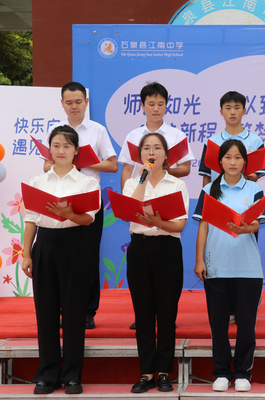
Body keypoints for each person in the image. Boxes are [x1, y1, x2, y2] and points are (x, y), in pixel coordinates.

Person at [22, 125, 101, 395]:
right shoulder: (37, 182)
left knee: (74, 313)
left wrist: (68, 215)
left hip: (74, 245)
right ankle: (48, 375)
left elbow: (88, 219)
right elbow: (31, 220)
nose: (61, 150)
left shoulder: (87, 183)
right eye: (56, 145)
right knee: (45, 311)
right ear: (50, 149)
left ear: (76, 150)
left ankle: (72, 375)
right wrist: (26, 253)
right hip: (44, 246)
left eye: (67, 146)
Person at [118, 81, 195, 330]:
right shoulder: (133, 135)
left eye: (160, 104)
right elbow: (126, 170)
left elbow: (186, 168)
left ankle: (165, 318)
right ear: (142, 105)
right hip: (140, 194)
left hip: (164, 192)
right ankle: (144, 317)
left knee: (167, 285)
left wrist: (161, 169)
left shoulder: (176, 135)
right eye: (151, 104)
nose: (155, 108)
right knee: (141, 280)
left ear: (166, 105)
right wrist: (128, 200)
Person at [193, 139, 265, 393]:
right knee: (218, 324)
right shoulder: (209, 190)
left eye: (238, 157)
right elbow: (203, 227)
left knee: (246, 324)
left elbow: (257, 223)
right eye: (228, 157)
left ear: (245, 162)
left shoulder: (254, 188)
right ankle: (222, 372)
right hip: (216, 266)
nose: (233, 162)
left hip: (248, 268)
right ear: (220, 162)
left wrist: (247, 228)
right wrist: (200, 260)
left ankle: (243, 372)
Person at [43, 82, 118, 329]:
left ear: (86, 102)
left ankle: (87, 311)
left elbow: (112, 165)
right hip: (59, 198)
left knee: (88, 256)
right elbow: (46, 165)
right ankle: (63, 310)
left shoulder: (97, 130)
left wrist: (82, 162)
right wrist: (62, 162)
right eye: (69, 102)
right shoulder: (55, 131)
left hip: (87, 201)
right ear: (62, 104)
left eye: (78, 101)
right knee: (62, 258)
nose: (74, 106)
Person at [122, 132, 189, 393]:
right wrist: (143, 178)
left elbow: (180, 224)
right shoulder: (132, 182)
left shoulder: (177, 185)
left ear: (166, 155)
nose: (152, 152)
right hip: (139, 249)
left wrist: (159, 223)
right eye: (147, 148)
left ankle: (163, 372)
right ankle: (146, 372)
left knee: (167, 312)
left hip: (167, 248)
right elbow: (130, 211)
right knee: (143, 313)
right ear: (140, 155)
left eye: (157, 148)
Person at [198, 91, 265, 187]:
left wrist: (243, 175)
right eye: (228, 108)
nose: (232, 112)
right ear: (221, 112)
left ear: (244, 111)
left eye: (237, 108)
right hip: (217, 193)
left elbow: (255, 176)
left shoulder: (256, 141)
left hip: (245, 194)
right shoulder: (211, 142)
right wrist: (206, 195)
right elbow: (207, 176)